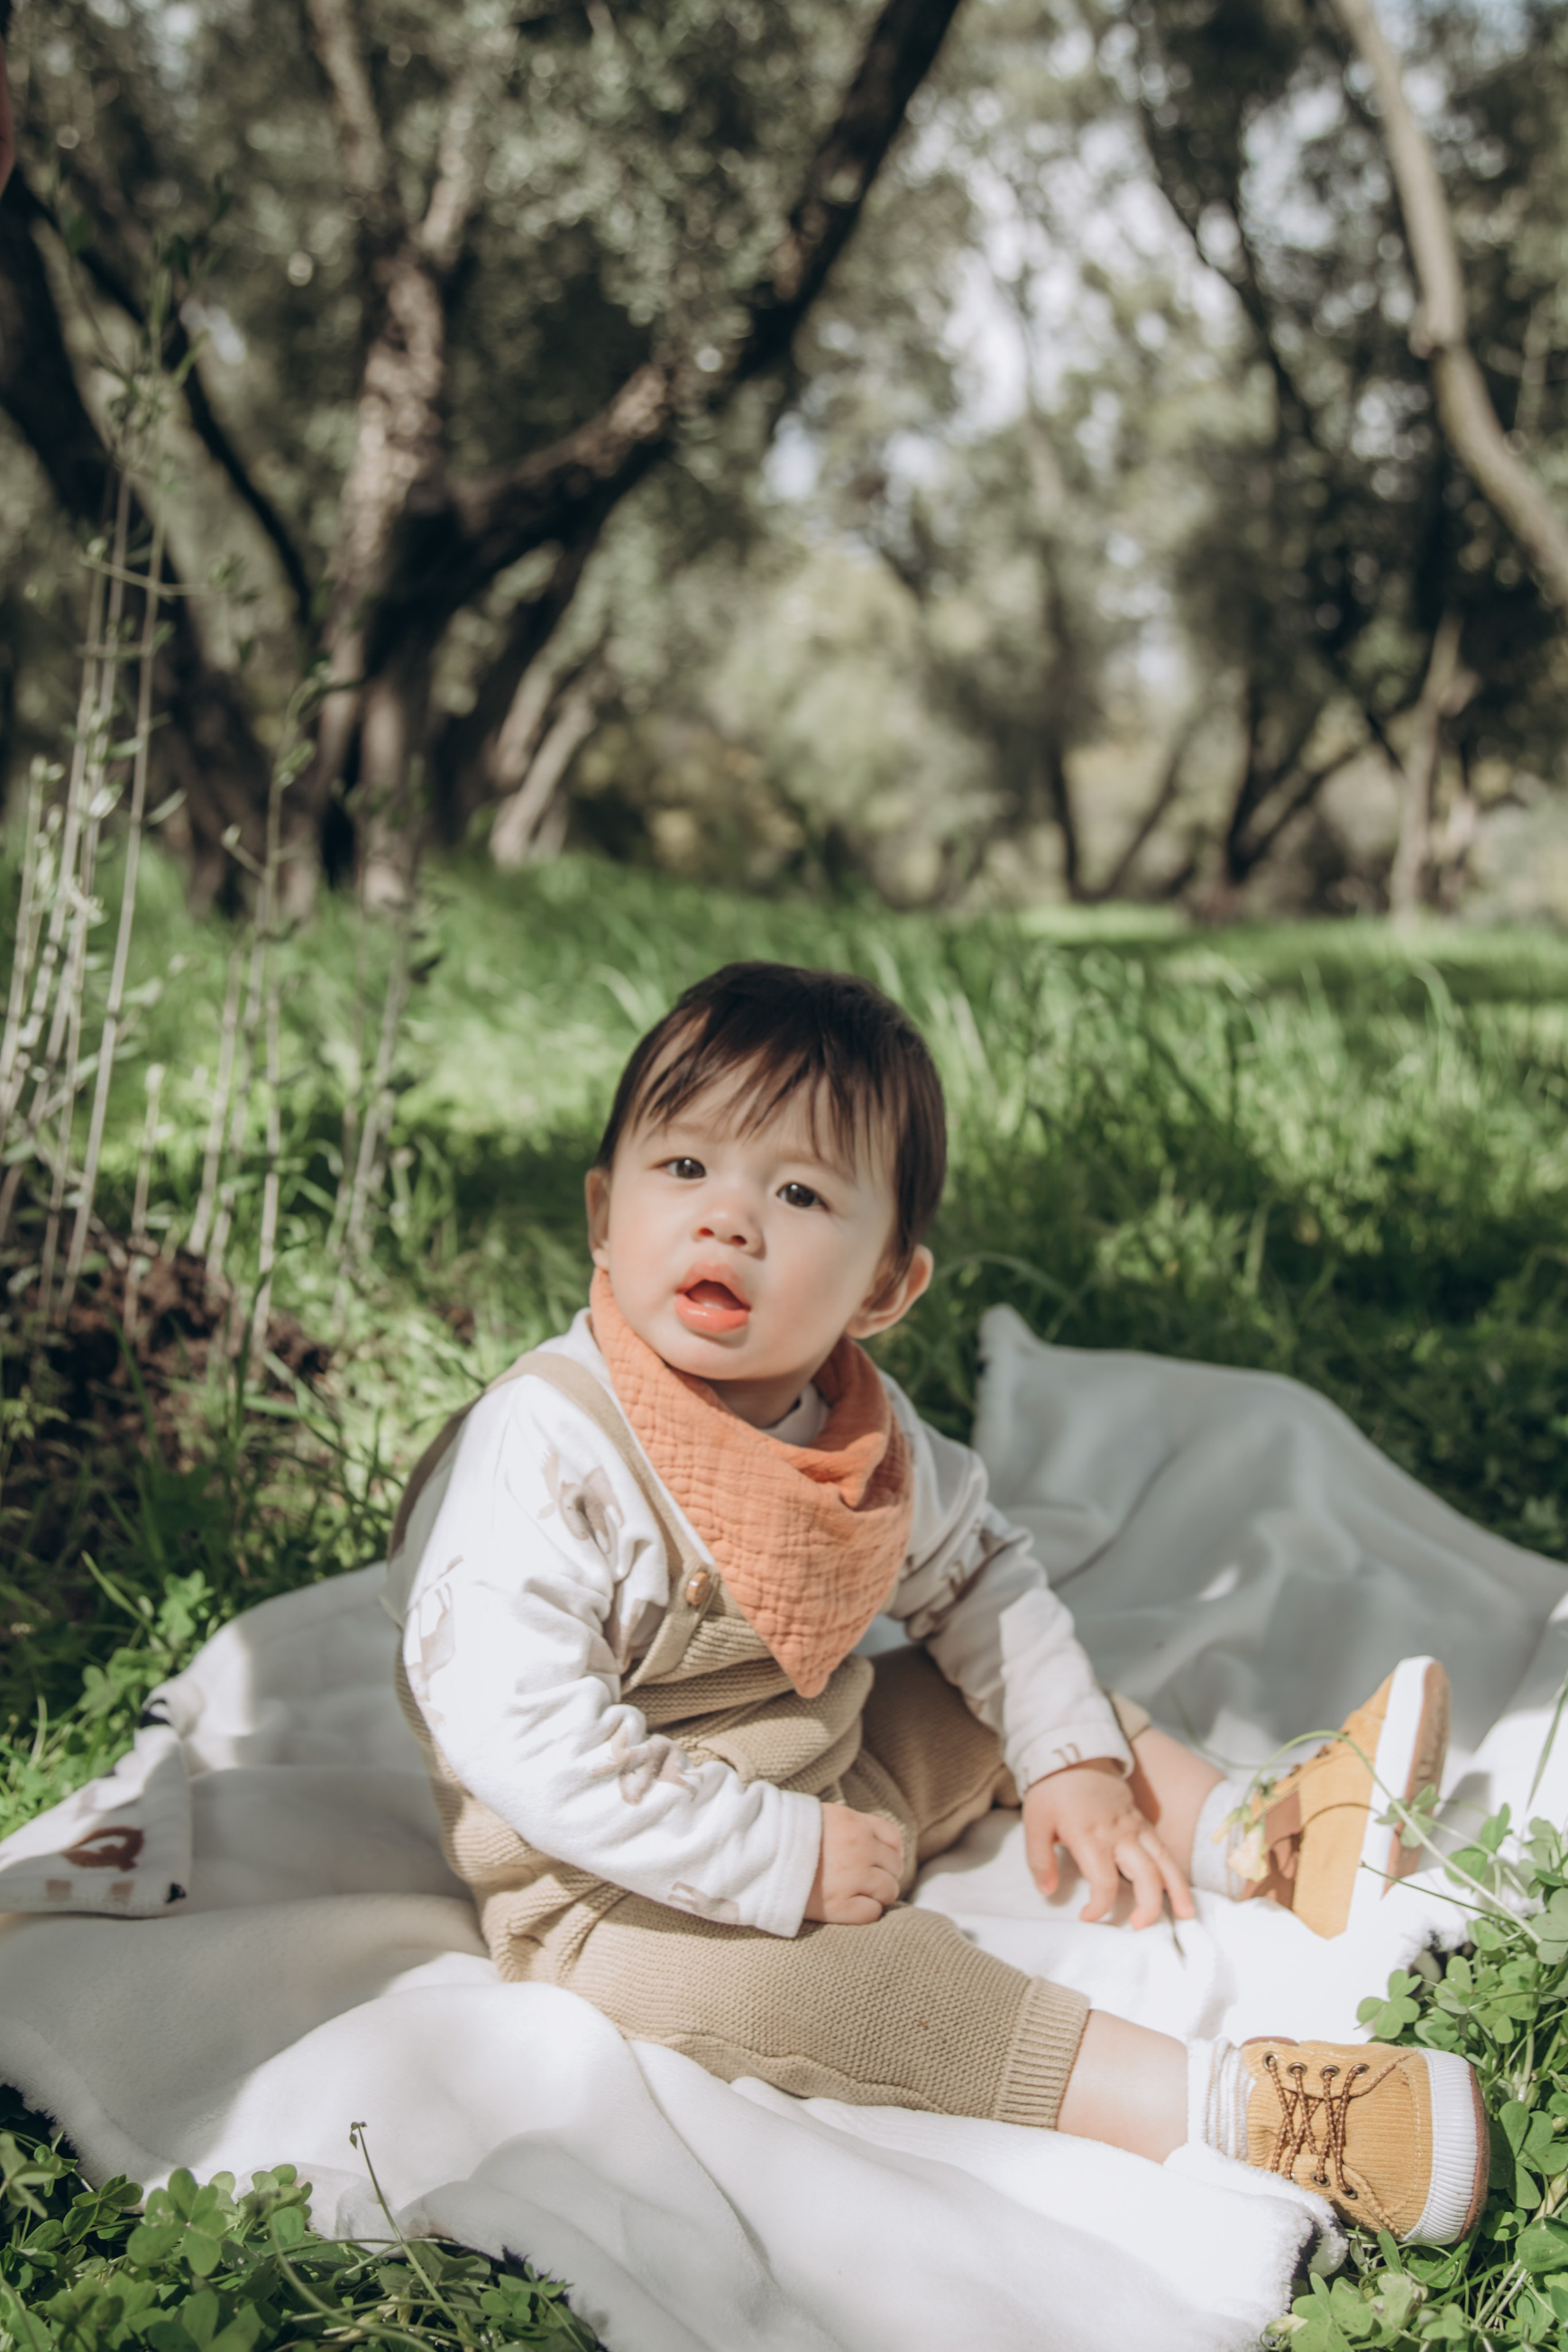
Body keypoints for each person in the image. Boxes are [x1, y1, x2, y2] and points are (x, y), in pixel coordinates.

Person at [386, 961, 1487, 2245]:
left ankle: (1257, 1832)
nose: (726, 1220)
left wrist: (1067, 1759)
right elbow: (527, 1744)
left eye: (796, 1192)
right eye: (682, 1169)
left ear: (882, 1290)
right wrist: (780, 1858)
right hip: (605, 1886)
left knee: (1006, 1704)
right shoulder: (548, 1447)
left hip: (825, 1763)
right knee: (847, 1994)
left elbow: (979, 1582)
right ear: (601, 1208)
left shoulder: (860, 1433)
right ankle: (1229, 2106)